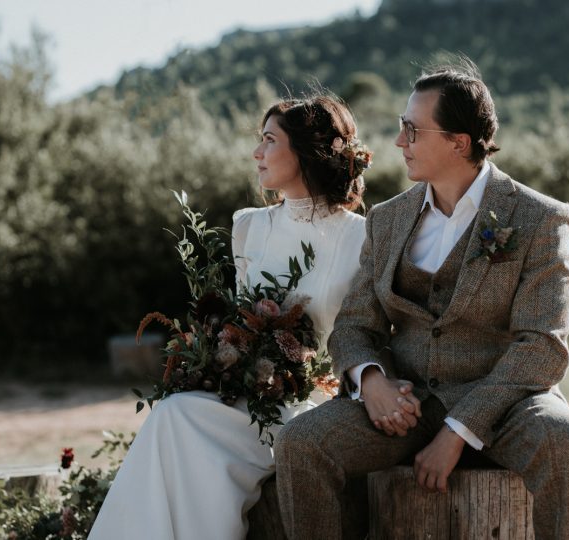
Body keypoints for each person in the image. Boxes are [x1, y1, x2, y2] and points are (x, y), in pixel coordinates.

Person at [275, 61, 569, 539]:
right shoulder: (388, 220)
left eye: (412, 130)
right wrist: (372, 382)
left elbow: (542, 347)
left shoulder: (540, 218)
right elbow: (354, 327)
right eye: (400, 127)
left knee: (565, 439)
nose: (398, 142)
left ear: (459, 142)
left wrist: (458, 431)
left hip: (507, 404)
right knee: (301, 442)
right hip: (407, 404)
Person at [88, 94, 369, 540]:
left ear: (306, 152)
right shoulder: (248, 226)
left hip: (315, 403)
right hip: (247, 394)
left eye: (269, 140)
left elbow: (365, 332)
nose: (257, 152)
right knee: (171, 413)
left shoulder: (362, 236)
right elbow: (241, 316)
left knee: (183, 422)